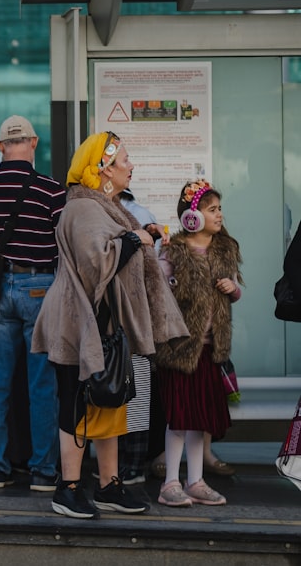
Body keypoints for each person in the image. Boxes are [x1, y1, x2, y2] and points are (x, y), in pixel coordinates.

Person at [32, 131, 188, 519]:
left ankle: (108, 485)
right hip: (77, 323)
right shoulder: (83, 209)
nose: (131, 166)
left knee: (110, 400)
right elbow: (96, 264)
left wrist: (140, 236)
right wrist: (135, 240)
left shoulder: (105, 206)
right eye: (125, 161)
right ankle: (67, 488)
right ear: (103, 169)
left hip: (102, 326)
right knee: (76, 406)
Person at [0, 115, 65, 492]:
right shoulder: (50, 189)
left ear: (0, 147)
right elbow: (63, 243)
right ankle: (43, 470)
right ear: (34, 142)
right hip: (39, 286)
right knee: (42, 383)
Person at [154, 180, 241, 508]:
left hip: (209, 349)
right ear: (193, 216)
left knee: (199, 419)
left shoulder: (224, 249)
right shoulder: (174, 250)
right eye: (212, 209)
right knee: (179, 417)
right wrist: (167, 277)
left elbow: (236, 294)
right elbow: (158, 286)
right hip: (180, 350)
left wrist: (232, 288)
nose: (219, 215)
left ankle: (195, 481)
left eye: (220, 209)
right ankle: (170, 483)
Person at [116, 188, 170, 486]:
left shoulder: (103, 212)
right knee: (137, 394)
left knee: (111, 392)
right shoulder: (143, 214)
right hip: (139, 314)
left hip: (116, 315)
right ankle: (133, 465)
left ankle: (118, 464)